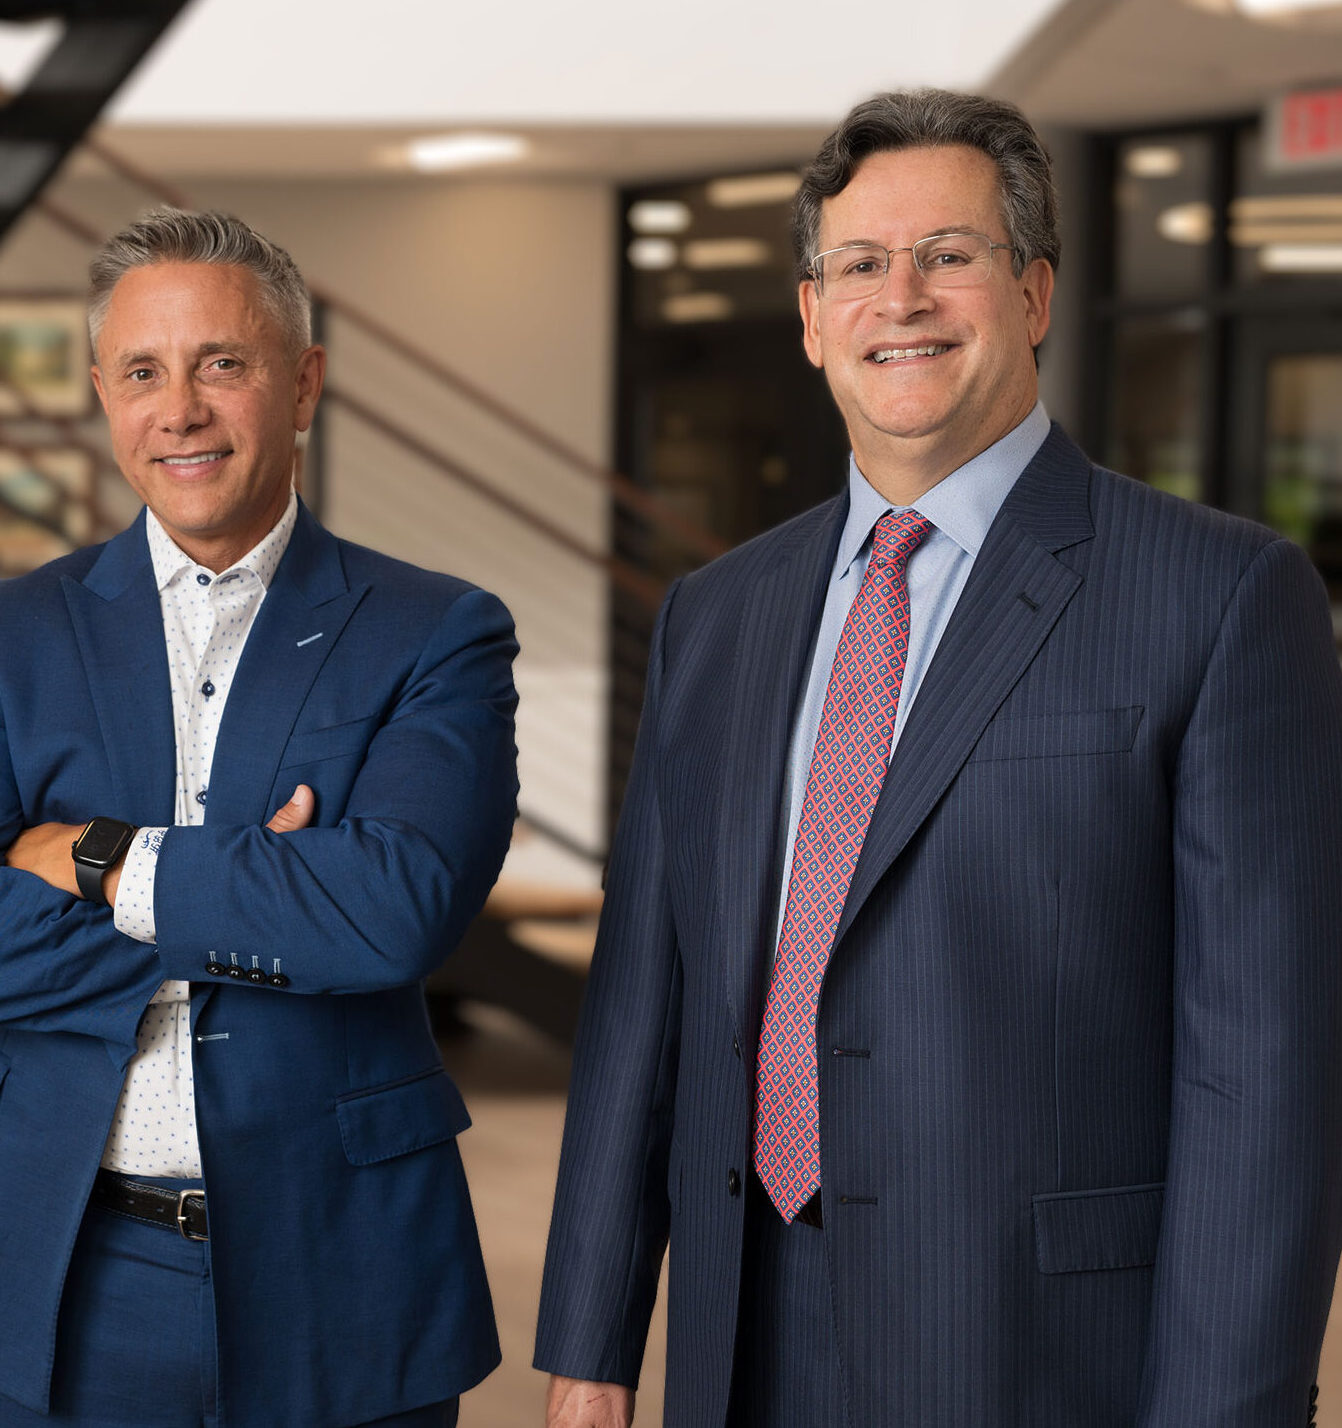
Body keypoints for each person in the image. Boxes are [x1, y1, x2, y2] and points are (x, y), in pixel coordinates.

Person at [536, 89, 1342, 1428]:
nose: (897, 297)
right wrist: (589, 1344)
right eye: (856, 265)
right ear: (809, 318)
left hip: (1038, 1353)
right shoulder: (715, 614)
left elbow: (1262, 1073)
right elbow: (643, 1005)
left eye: (947, 256)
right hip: (743, 1335)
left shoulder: (1220, 597)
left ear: (1031, 291)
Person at [0, 207, 516, 1428]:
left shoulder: (433, 632)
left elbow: (393, 914)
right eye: (143, 373)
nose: (181, 410)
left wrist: (93, 856)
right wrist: (267, 892)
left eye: (222, 364)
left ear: (304, 382)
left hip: (341, 1258)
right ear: (104, 397)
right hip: (54, 1260)